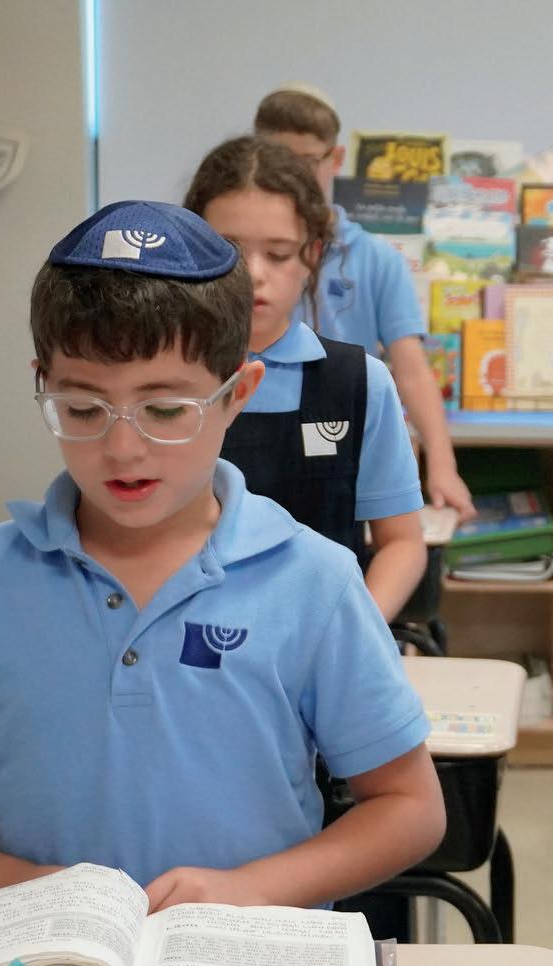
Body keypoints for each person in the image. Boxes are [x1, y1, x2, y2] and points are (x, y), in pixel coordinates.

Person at [0, 200, 444, 910]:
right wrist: (36, 900)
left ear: (238, 393)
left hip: (237, 964)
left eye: (166, 410)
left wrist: (247, 890)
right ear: (44, 384)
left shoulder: (314, 581)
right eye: (84, 409)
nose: (123, 448)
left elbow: (409, 806)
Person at [185, 135, 426, 621]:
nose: (253, 273)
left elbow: (402, 542)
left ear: (312, 254)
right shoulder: (160, 379)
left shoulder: (357, 383)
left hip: (319, 640)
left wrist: (354, 633)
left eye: (277, 254)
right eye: (228, 250)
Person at [254, 84, 476, 521]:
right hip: (257, 432)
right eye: (277, 159)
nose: (290, 176)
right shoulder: (239, 254)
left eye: (305, 161)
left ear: (336, 159)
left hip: (344, 440)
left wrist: (442, 464)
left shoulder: (377, 259)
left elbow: (411, 368)